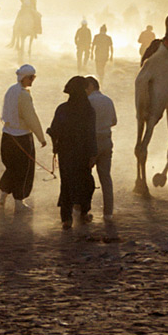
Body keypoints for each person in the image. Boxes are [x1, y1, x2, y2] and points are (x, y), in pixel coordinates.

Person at [47, 76, 97, 229]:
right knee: (86, 182)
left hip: (66, 153)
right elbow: (91, 133)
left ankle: (66, 219)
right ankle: (83, 213)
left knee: (67, 183)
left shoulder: (62, 109)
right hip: (83, 153)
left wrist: (55, 147)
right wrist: (93, 154)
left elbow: (54, 130)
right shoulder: (88, 110)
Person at [0, 64, 47, 212]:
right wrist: (41, 138)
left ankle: (2, 198)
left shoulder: (11, 90)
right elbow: (31, 118)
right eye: (31, 78)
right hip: (22, 139)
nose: (33, 80)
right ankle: (19, 202)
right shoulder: (23, 95)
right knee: (24, 170)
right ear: (25, 78)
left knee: (11, 168)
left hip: (7, 136)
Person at [85, 76, 116, 222]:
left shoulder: (88, 101)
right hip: (107, 140)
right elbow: (114, 121)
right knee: (106, 178)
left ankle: (82, 209)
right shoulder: (108, 100)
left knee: (85, 176)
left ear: (90, 86)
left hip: (92, 141)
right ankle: (108, 212)